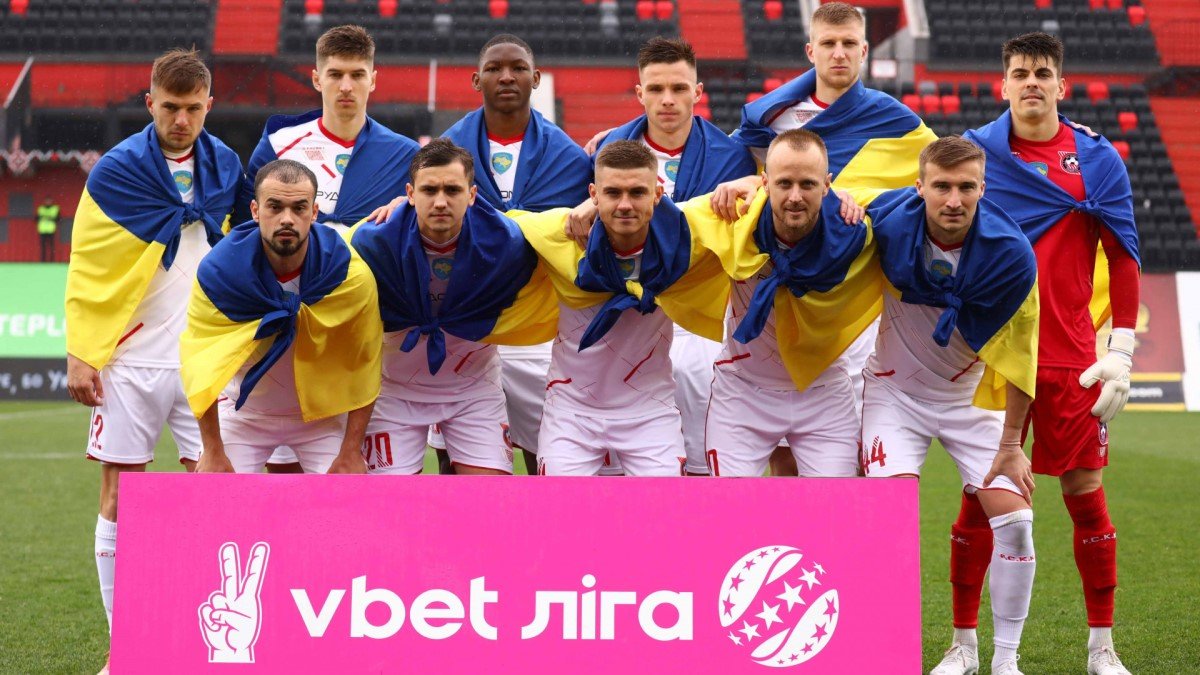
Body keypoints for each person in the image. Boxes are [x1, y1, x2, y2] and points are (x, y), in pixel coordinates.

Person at [961, 32, 1140, 675]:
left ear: (1061, 85)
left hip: (1069, 356)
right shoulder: (976, 153)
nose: (1030, 82)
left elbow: (1123, 254)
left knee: (1085, 496)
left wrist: (1122, 347)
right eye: (1019, 72)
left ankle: (1102, 649)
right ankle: (963, 647)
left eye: (1042, 73)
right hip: (992, 353)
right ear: (1003, 84)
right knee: (980, 497)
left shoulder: (1096, 158)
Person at [63, 49, 245, 674]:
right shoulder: (117, 170)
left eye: (193, 108)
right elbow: (89, 263)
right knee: (121, 496)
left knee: (216, 494)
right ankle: (126, 648)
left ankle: (204, 644)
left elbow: (243, 244)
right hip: (130, 359)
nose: (181, 120)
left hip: (206, 358)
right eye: (170, 107)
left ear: (209, 106)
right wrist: (82, 351)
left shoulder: (227, 165)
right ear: (149, 103)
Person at [719, 1, 937, 476]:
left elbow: (942, 173)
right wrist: (623, 136)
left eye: (848, 44)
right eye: (829, 44)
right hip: (775, 294)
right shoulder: (771, 116)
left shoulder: (894, 119)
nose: (839, 53)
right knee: (780, 452)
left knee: (839, 455)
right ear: (810, 50)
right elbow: (722, 162)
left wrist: (862, 201)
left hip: (844, 302)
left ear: (864, 50)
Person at [859, 137, 1040, 675]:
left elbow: (1023, 354)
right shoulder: (886, 223)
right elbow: (825, 208)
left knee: (1017, 523)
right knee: (886, 516)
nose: (954, 200)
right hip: (894, 394)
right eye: (941, 186)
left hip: (970, 401)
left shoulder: (1012, 255)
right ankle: (887, 654)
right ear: (919, 187)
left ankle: (1001, 660)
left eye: (966, 187)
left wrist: (1012, 445)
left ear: (984, 188)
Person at [572, 37, 756, 476]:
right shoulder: (607, 150)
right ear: (640, 93)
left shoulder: (733, 158)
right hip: (625, 318)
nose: (667, 99)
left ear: (698, 91)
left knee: (699, 446)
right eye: (655, 89)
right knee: (616, 459)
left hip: (697, 318)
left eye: (678, 88)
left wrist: (754, 181)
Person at [244, 24, 419, 473]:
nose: (346, 86)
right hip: (288, 329)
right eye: (336, 74)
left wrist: (408, 203)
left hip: (365, 331)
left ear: (373, 80)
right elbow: (246, 228)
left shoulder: (404, 156)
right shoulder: (279, 145)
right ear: (316, 78)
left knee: (352, 475)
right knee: (284, 474)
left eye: (357, 75)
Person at [515, 141, 727, 475]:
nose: (625, 205)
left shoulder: (685, 235)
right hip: (571, 413)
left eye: (637, 193)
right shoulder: (559, 232)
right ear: (593, 195)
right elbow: (488, 225)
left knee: (663, 509)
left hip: (650, 411)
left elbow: (765, 195)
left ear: (658, 194)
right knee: (559, 508)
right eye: (612, 193)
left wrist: (745, 182)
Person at [679, 129, 881, 477]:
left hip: (824, 393)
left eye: (808, 184)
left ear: (828, 185)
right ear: (765, 183)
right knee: (730, 508)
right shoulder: (733, 217)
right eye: (784, 183)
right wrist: (593, 205)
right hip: (742, 392)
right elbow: (654, 215)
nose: (795, 197)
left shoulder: (855, 231)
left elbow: (917, 206)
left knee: (833, 509)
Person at [349, 139, 556, 475]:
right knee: (389, 503)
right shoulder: (372, 242)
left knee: (489, 501)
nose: (441, 201)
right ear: (410, 193)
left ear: (472, 195)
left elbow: (556, 232)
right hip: (395, 391)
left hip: (474, 390)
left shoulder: (507, 243)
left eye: (453, 190)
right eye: (429, 190)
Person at [444, 34, 592, 474]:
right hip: (463, 320)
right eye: (494, 69)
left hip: (537, 325)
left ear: (536, 78)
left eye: (517, 68)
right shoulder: (446, 152)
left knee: (542, 447)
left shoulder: (569, 158)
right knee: (458, 452)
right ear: (476, 80)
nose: (506, 76)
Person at [182, 159, 382, 475]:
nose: (287, 219)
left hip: (323, 416)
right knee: (214, 498)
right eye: (274, 207)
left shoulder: (349, 274)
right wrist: (213, 449)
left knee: (347, 501)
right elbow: (200, 362)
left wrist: (351, 450)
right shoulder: (219, 272)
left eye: (299, 208)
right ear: (255, 210)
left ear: (314, 212)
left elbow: (366, 362)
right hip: (243, 413)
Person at [37, 197, 59, 262]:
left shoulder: (55, 208)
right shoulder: (41, 209)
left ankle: (52, 260)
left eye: (49, 201)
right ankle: (43, 260)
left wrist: (50, 218)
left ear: (51, 201)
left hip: (51, 229)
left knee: (52, 246)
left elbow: (58, 219)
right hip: (42, 229)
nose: (48, 202)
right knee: (43, 246)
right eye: (47, 201)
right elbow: (36, 218)